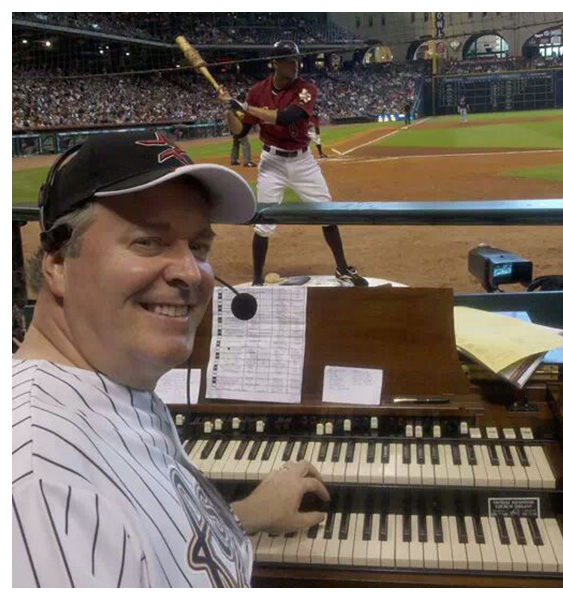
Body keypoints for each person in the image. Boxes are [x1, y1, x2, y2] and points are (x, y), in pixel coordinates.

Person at [12, 131, 330, 588]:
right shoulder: (39, 488)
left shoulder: (113, 382)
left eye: (198, 247)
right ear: (58, 263)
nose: (190, 273)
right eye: (148, 242)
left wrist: (241, 517)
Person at [219, 40, 368, 288]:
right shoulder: (257, 92)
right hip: (271, 163)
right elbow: (239, 133)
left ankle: (342, 268)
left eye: (296, 60)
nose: (295, 65)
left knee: (328, 213)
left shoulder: (305, 89)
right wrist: (228, 111)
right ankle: (257, 282)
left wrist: (246, 108)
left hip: (302, 161)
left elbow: (288, 117)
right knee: (264, 221)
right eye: (289, 61)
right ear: (275, 63)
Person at [230, 95, 256, 167]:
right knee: (246, 145)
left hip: (234, 130)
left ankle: (234, 160)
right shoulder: (237, 109)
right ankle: (247, 162)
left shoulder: (232, 109)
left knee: (235, 144)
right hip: (239, 129)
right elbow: (242, 117)